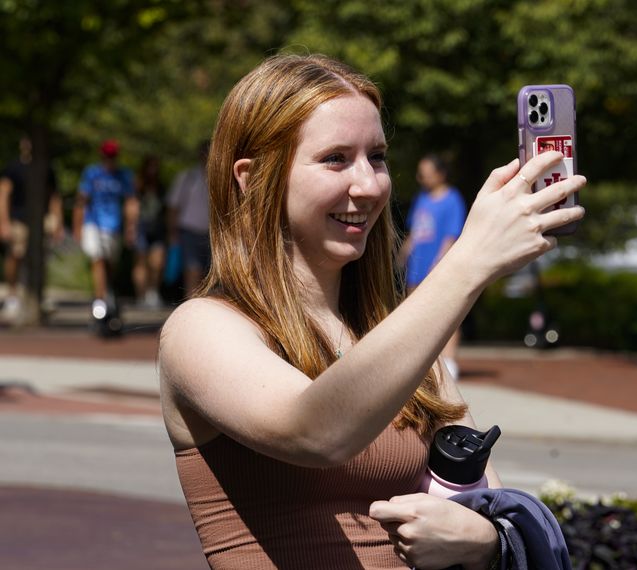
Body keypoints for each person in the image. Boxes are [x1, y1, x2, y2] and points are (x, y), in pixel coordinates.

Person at [157, 54, 585, 569]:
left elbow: (485, 496)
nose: (369, 184)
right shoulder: (201, 329)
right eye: (336, 158)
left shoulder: (398, 339)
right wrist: (467, 263)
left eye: (377, 157)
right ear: (252, 177)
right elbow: (315, 432)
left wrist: (486, 540)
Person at [400, 154, 468, 379]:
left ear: (440, 174)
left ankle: (449, 360)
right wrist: (402, 255)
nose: (422, 178)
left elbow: (452, 234)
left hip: (438, 266)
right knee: (414, 312)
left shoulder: (452, 199)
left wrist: (439, 262)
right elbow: (415, 232)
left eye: (426, 173)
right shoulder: (422, 199)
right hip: (416, 267)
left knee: (447, 312)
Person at [0, 136, 64, 322]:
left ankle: (37, 295)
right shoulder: (13, 168)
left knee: (41, 258)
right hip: (18, 218)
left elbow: (54, 196)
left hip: (41, 219)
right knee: (16, 255)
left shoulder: (46, 167)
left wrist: (57, 221)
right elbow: (4, 194)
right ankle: (12, 294)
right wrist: (3, 221)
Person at [72, 139, 137, 320]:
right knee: (97, 259)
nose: (110, 159)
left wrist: (131, 227)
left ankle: (108, 295)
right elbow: (81, 200)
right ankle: (100, 300)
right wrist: (78, 227)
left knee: (110, 265)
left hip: (113, 227)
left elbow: (130, 202)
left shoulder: (124, 176)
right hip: (93, 223)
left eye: (112, 156)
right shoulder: (92, 174)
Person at [166, 140, 210, 297]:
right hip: (189, 230)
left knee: (209, 276)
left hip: (211, 233)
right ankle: (191, 305)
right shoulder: (187, 177)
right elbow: (173, 207)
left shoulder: (218, 178)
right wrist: (172, 233)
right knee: (192, 270)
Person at [132, 154, 167, 308]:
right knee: (141, 262)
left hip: (157, 227)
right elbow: (131, 206)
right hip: (141, 226)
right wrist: (130, 228)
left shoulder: (161, 186)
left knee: (157, 262)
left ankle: (153, 293)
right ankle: (141, 295)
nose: (153, 170)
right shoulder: (138, 185)